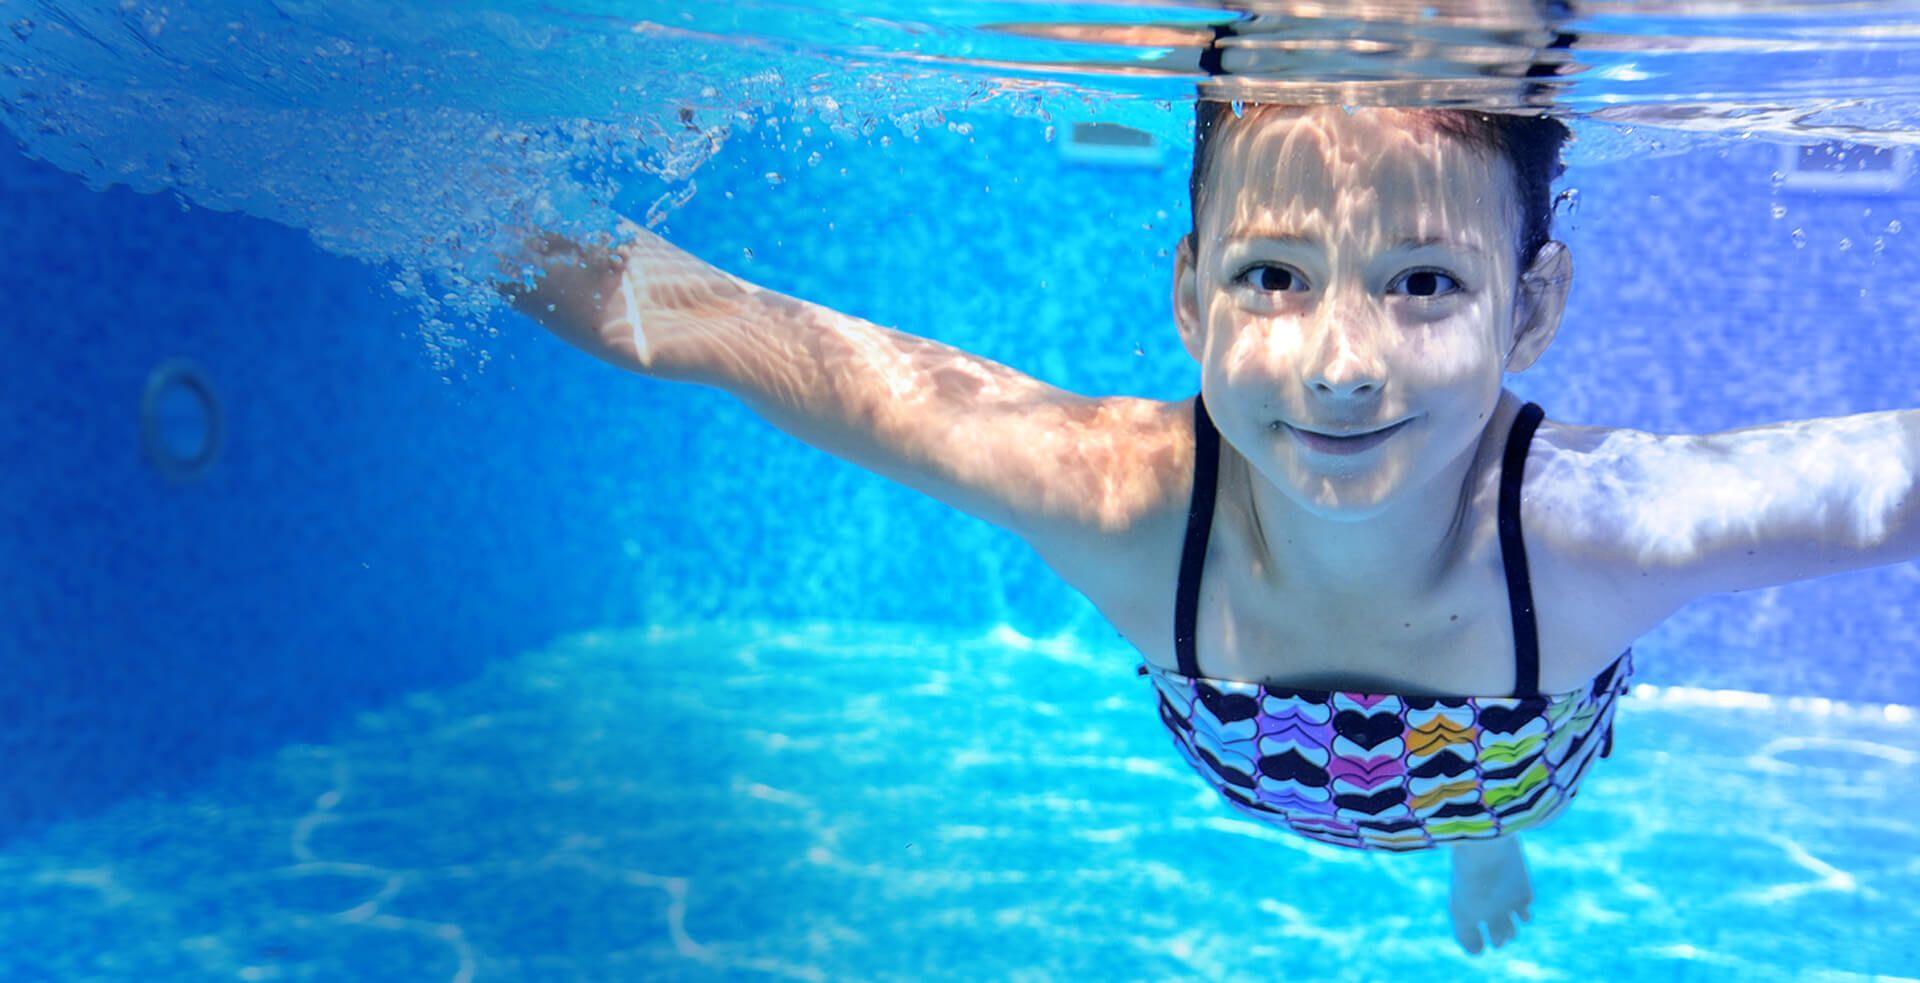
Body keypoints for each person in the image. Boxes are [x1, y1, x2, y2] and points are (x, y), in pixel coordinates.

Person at [495, 98, 1920, 955]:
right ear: (1189, 297)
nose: (1339, 363)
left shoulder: (1592, 535)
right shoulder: (1120, 496)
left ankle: (1480, 849)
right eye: (1275, 276)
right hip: (1265, 765)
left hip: (1512, 768)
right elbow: (717, 332)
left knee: (1502, 818)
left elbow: (1885, 482)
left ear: (1531, 309)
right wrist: (436, 197)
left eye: (1424, 281)